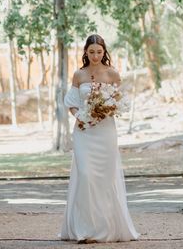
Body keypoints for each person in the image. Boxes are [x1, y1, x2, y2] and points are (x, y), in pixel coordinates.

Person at [59, 34, 140, 244]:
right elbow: (71, 103)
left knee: (105, 177)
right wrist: (82, 116)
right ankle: (84, 229)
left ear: (104, 52)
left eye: (99, 52)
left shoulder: (112, 74)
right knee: (85, 175)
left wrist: (104, 111)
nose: (95, 56)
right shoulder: (79, 75)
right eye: (91, 51)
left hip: (105, 131)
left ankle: (106, 229)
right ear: (85, 52)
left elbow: (120, 101)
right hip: (84, 131)